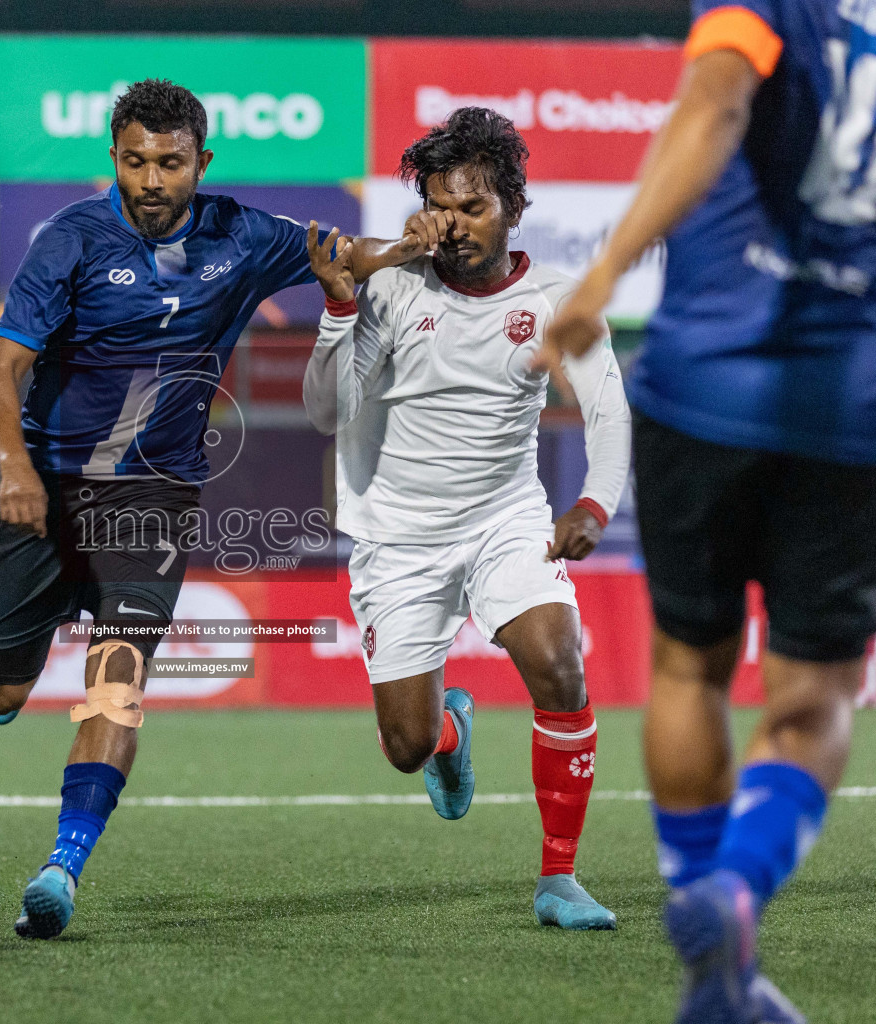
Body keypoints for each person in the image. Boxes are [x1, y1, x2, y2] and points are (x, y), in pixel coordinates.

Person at [543, 2, 876, 1020]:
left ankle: (707, 927)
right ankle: (737, 902)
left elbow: (715, 102)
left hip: (701, 385)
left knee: (689, 661)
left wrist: (601, 273)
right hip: (848, 401)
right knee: (816, 697)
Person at [0, 77, 428, 940]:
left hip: (155, 497)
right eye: (135, 161)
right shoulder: (68, 241)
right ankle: (24, 658)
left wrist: (410, 248)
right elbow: (0, 370)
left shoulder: (241, 234)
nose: (151, 180)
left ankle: (61, 870)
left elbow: (342, 255)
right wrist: (14, 468)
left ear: (201, 162)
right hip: (51, 490)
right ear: (113, 157)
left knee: (118, 686)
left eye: (171, 163)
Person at [303, 108, 630, 931]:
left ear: (514, 207)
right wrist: (341, 306)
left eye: (473, 208)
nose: (453, 228)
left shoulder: (556, 299)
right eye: (439, 209)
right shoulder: (393, 284)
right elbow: (322, 408)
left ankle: (560, 879)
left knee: (561, 663)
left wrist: (593, 503)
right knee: (405, 747)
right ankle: (448, 733)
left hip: (504, 519)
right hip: (396, 538)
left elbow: (609, 414)